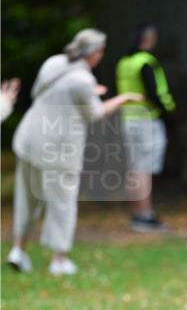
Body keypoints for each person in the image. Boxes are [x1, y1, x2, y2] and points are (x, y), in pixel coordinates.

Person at [8, 30, 142, 275]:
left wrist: (90, 93)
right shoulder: (83, 79)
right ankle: (59, 259)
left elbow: (39, 93)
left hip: (28, 138)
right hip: (57, 147)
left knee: (26, 197)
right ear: (93, 53)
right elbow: (95, 114)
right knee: (62, 202)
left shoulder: (54, 63)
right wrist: (121, 99)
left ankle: (18, 250)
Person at [116, 23, 176, 231]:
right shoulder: (146, 62)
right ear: (148, 38)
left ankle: (136, 213)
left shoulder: (124, 62)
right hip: (147, 119)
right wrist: (169, 111)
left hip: (128, 119)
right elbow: (155, 92)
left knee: (133, 167)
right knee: (144, 168)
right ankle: (145, 214)